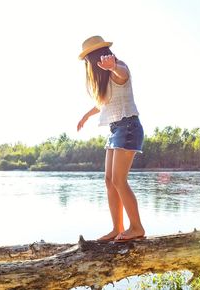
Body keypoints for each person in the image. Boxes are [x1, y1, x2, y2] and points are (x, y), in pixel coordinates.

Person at [77, 35, 145, 242]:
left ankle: (137, 228)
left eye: (89, 60)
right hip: (116, 131)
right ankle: (117, 228)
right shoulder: (105, 79)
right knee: (109, 180)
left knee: (119, 180)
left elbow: (122, 74)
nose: (89, 65)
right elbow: (103, 103)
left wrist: (113, 66)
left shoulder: (117, 68)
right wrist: (86, 116)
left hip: (129, 128)